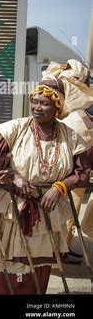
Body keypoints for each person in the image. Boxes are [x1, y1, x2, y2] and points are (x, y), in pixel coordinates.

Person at [0, 74, 91, 294]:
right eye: (34, 102)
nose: (37, 108)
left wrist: (59, 188)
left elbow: (82, 173)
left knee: (35, 269)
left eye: (45, 103)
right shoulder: (12, 131)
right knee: (4, 265)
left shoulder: (71, 137)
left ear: (57, 106)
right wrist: (14, 177)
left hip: (47, 214)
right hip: (10, 211)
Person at [52, 59, 93, 264]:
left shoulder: (79, 115)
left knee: (70, 212)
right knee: (65, 212)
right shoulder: (74, 118)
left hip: (76, 172)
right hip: (68, 173)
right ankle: (58, 252)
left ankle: (63, 248)